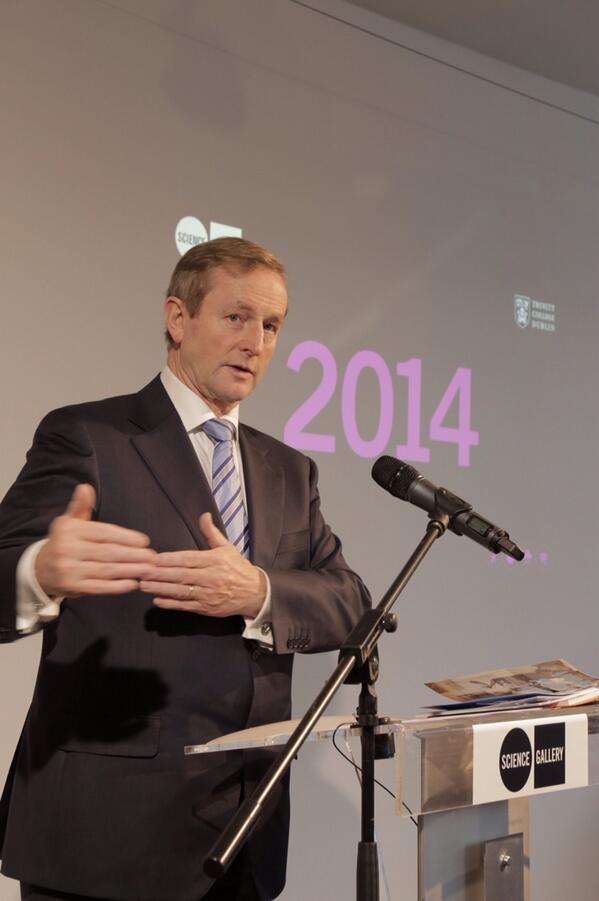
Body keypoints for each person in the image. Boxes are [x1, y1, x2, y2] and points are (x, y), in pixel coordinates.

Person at [0, 238, 371, 901]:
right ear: (178, 318)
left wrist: (258, 591)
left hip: (244, 836)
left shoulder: (290, 470)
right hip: (106, 839)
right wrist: (39, 570)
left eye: (271, 326)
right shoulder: (89, 437)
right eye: (236, 317)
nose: (255, 342)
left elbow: (350, 603)